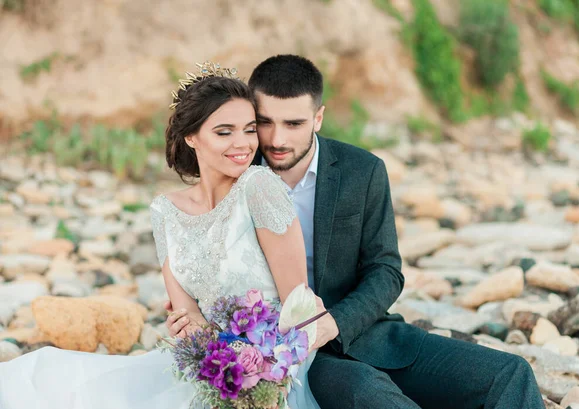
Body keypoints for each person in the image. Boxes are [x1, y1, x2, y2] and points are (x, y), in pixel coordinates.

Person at [166, 55, 546, 409]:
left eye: (294, 123)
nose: (277, 139)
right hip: (286, 357)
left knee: (510, 373)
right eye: (265, 122)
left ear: (318, 117)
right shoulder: (235, 177)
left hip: (366, 334)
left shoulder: (361, 171)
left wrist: (334, 323)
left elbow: (385, 270)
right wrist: (192, 318)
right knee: (370, 393)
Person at [0, 63, 320, 409]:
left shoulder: (260, 187)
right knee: (52, 382)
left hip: (275, 371)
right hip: (209, 366)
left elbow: (299, 308)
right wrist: (213, 349)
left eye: (249, 130)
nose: (242, 144)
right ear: (191, 136)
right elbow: (185, 315)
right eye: (224, 132)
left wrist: (263, 373)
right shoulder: (165, 211)